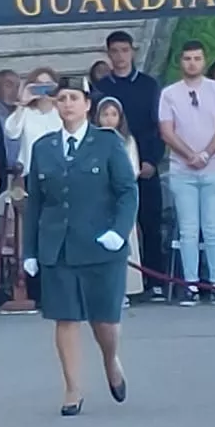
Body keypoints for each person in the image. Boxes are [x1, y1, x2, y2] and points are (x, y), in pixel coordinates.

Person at [22, 80, 137, 416]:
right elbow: (36, 203)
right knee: (65, 318)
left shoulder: (106, 142)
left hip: (100, 244)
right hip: (58, 246)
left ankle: (110, 359)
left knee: (105, 321)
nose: (67, 104)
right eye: (61, 99)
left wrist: (119, 231)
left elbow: (127, 191)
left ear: (87, 104)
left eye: (74, 98)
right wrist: (30, 250)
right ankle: (73, 387)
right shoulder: (44, 148)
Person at [160, 41, 215, 305]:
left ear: (204, 61)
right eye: (187, 58)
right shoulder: (169, 93)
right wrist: (189, 154)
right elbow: (167, 131)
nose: (192, 63)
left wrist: (205, 153)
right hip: (182, 170)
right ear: (181, 61)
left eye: (197, 58)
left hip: (214, 168)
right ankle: (190, 285)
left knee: (214, 229)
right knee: (189, 230)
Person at [95, 32, 167, 298]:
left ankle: (155, 280)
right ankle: (122, 283)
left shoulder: (149, 85)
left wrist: (151, 160)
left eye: (125, 50)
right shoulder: (102, 87)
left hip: (145, 163)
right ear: (108, 54)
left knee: (150, 222)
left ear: (133, 52)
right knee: (117, 224)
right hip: (111, 169)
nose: (120, 56)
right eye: (115, 51)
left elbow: (159, 126)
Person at [93, 97, 144, 300]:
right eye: (105, 114)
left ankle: (124, 290)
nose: (109, 119)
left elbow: (133, 169)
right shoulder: (92, 139)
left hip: (121, 197)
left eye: (114, 114)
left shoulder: (127, 140)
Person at [3, 67, 64, 177]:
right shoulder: (26, 112)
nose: (44, 89)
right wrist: (23, 102)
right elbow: (11, 132)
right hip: (30, 173)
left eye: (48, 85)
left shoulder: (62, 112)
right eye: (39, 85)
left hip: (58, 172)